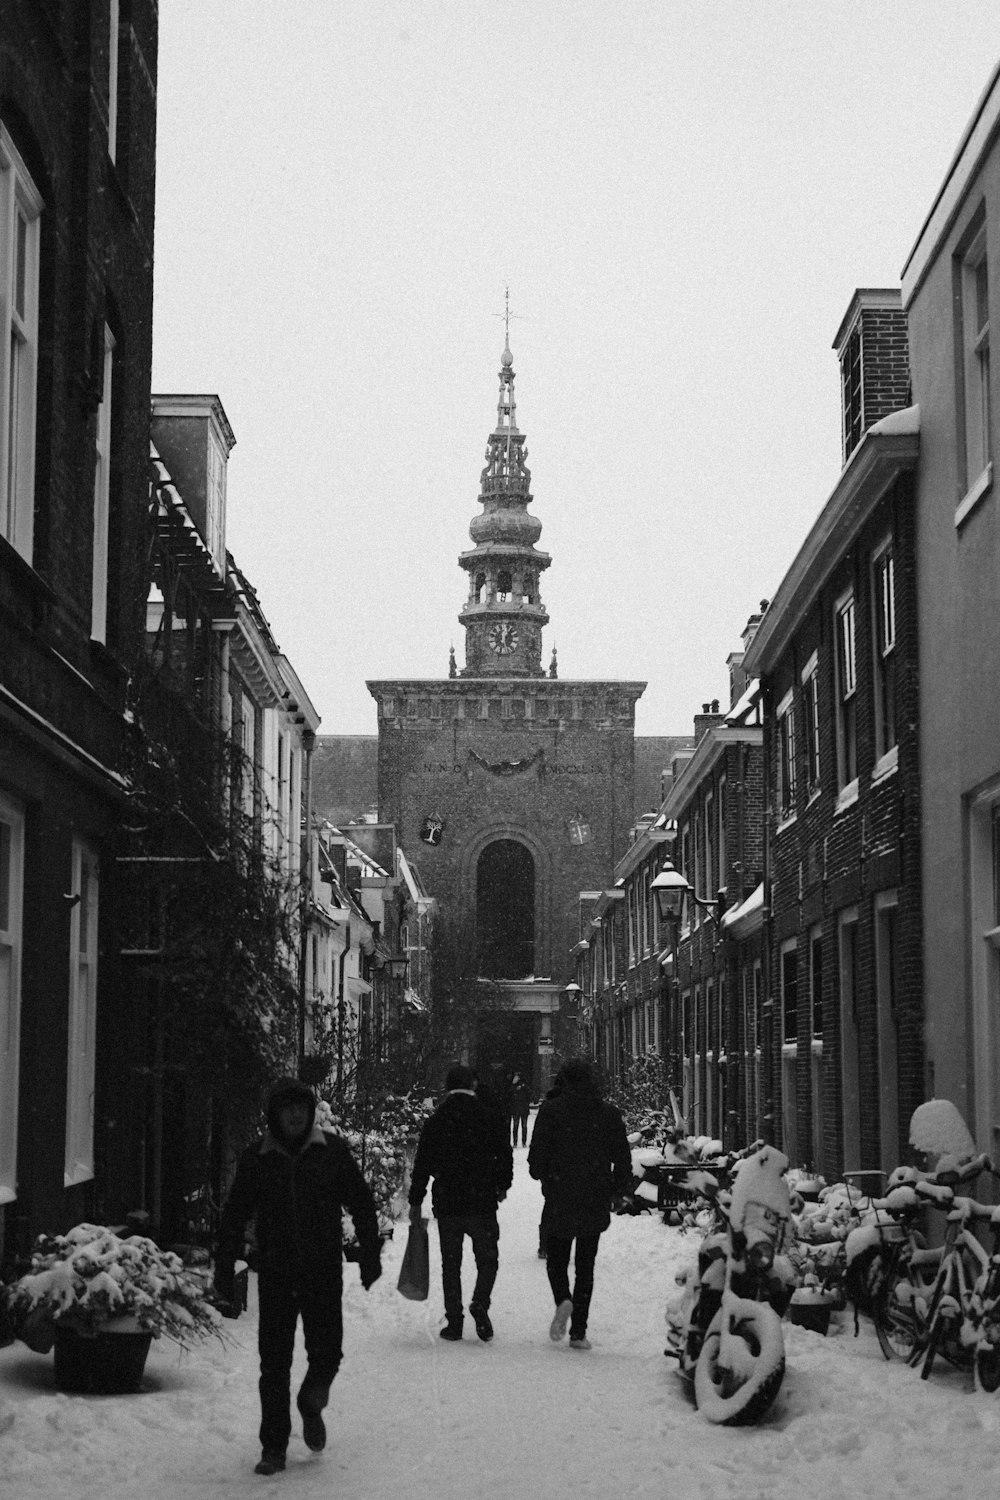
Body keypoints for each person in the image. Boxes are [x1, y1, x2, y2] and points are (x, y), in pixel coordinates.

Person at [214, 1077, 382, 1477]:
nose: (295, 1115)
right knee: (274, 1364)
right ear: (275, 1114)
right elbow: (235, 1214)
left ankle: (311, 1401)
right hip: (275, 1272)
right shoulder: (258, 1158)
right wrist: (223, 1267)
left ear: (310, 1111)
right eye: (287, 1108)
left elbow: (360, 1201)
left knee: (327, 1353)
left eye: (301, 1108)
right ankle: (273, 1446)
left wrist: (370, 1253)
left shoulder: (332, 1152)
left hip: (322, 1271)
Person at [528, 1058, 631, 1351]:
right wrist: (618, 1188)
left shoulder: (551, 1112)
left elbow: (536, 1161)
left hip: (560, 1195)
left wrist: (547, 1174)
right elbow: (622, 1157)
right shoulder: (608, 1114)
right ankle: (579, 1332)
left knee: (557, 1259)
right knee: (586, 1265)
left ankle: (563, 1299)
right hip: (595, 1196)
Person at [408, 1063, 513, 1342]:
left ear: (447, 1087)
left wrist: (416, 1199)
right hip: (482, 1201)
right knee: (487, 1259)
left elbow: (422, 1164)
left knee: (451, 1264)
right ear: (473, 1086)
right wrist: (502, 1185)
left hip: (449, 1202)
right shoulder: (489, 1118)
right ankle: (480, 1301)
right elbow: (504, 1154)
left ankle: (454, 1321)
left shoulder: (436, 1121)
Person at [510, 1072, 531, 1147]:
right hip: (517, 1108)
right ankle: (517, 1142)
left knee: (522, 1126)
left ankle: (523, 1142)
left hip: (522, 1108)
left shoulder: (524, 1087)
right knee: (517, 1126)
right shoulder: (513, 1087)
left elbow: (529, 1095)